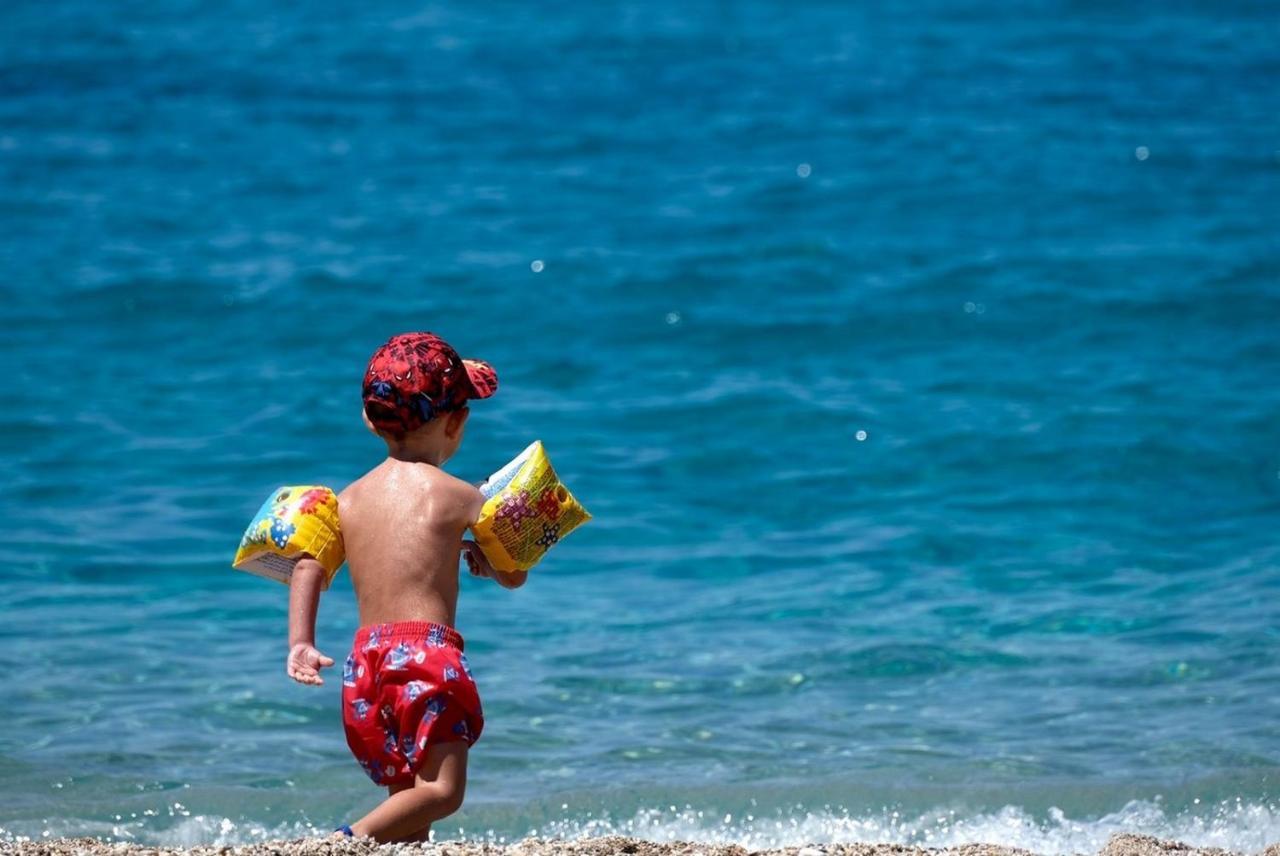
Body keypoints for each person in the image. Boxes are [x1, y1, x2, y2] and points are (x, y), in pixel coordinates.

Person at [284, 332, 527, 842]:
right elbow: (514, 574)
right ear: (456, 423)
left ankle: (366, 843)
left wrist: (301, 643)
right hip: (424, 656)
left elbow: (308, 566)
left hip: (365, 666)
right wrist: (490, 558)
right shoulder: (462, 496)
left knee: (409, 807)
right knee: (442, 793)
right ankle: (341, 843)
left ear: (371, 420)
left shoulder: (346, 500)